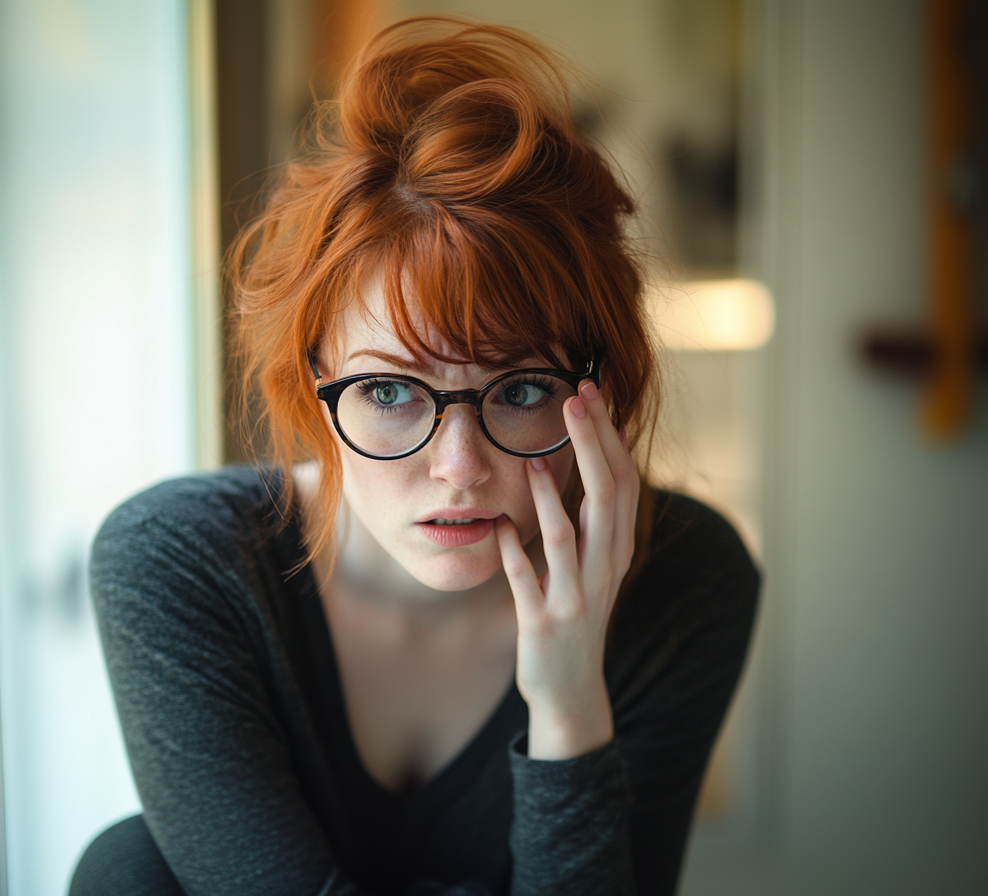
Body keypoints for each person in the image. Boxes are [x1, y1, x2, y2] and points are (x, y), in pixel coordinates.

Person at [70, 16, 759, 896]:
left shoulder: (682, 582)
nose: (460, 467)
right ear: (316, 381)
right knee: (128, 869)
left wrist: (569, 703)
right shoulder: (179, 563)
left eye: (521, 389)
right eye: (390, 393)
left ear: (603, 390)